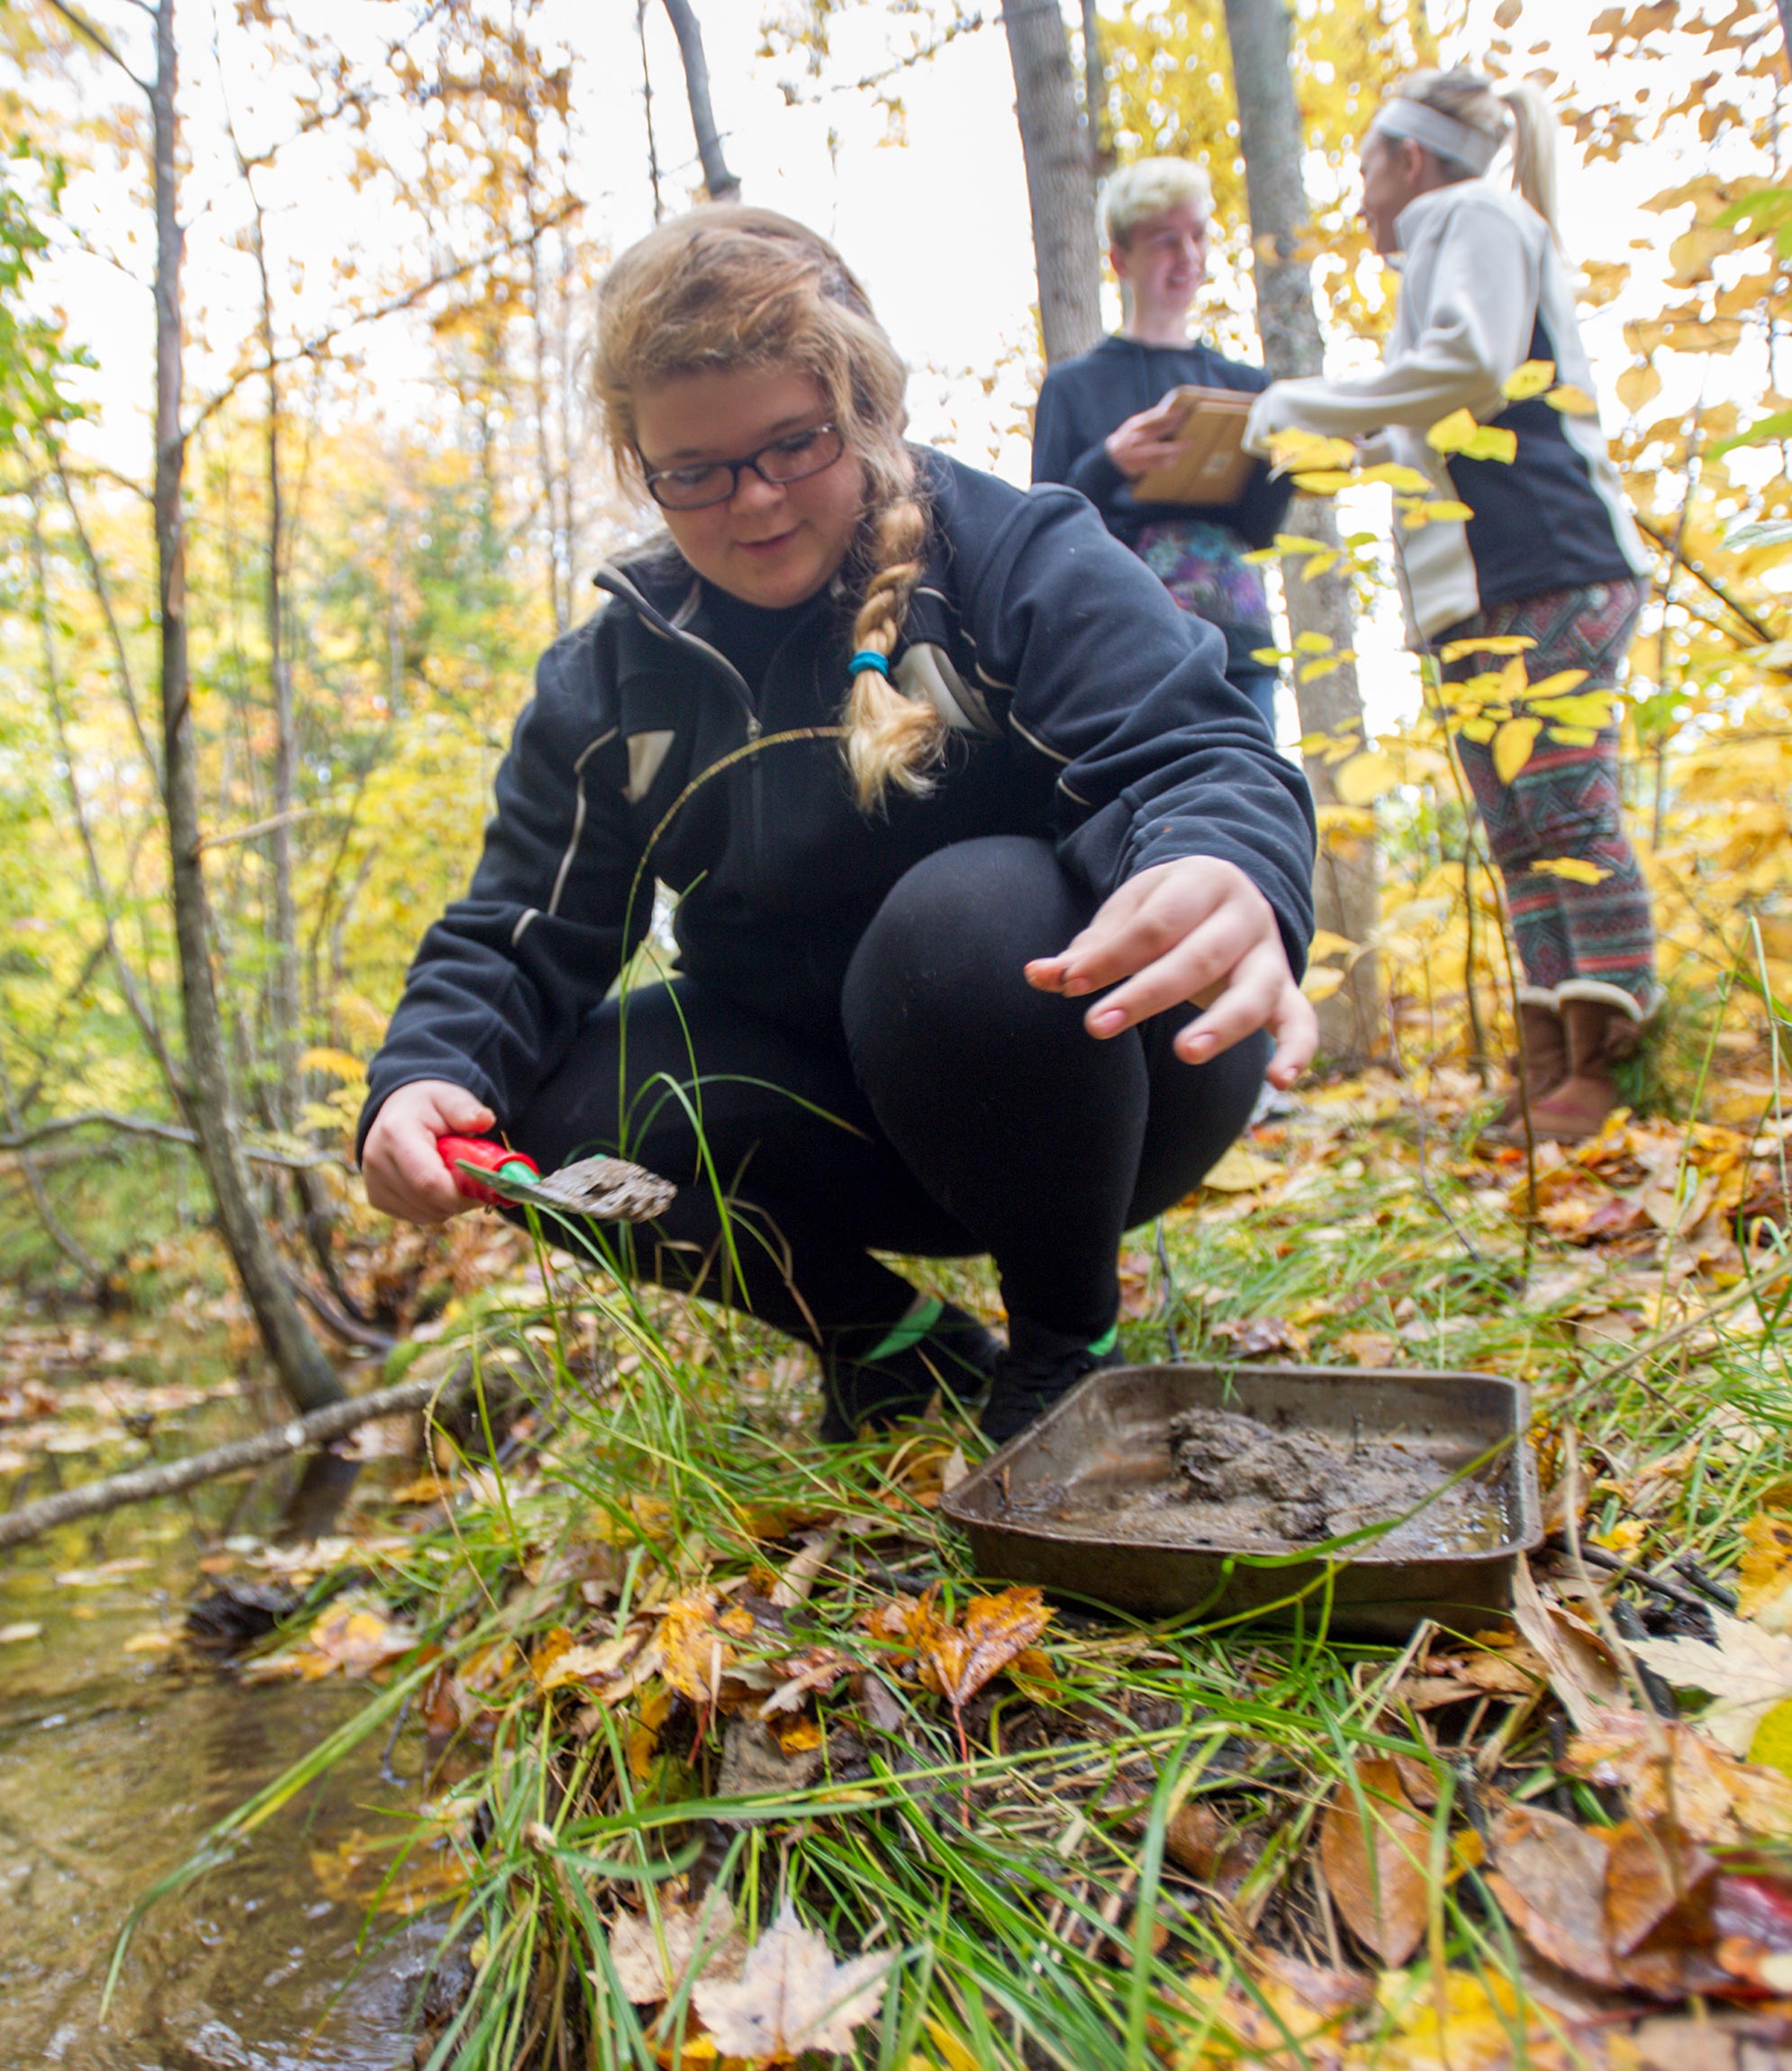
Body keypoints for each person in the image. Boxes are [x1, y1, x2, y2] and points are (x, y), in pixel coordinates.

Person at [357, 206, 1317, 1447]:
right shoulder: (615, 681)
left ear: (860, 407)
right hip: (843, 1120)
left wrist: (1219, 858)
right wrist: (423, 1076)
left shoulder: (1005, 555)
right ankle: (885, 1340)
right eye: (693, 471)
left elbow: (1190, 745)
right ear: (639, 463)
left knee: (966, 918)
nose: (751, 502)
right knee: (520, 1113)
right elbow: (515, 930)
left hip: (1100, 1078)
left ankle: (1066, 1346)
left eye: (791, 446)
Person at [1245, 70, 1656, 1144]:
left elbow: (1468, 366)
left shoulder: (1467, 214)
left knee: (1566, 810)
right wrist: (1328, 440)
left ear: (1410, 159)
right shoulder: (1442, 240)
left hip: (1548, 567)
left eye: (1368, 168)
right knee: (1518, 830)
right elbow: (1436, 415)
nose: (1363, 195)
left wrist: (1301, 401)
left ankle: (1616, 1053)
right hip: (1479, 593)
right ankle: (1553, 1062)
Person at [1031, 158, 1296, 734]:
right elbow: (1040, 533)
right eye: (1165, 241)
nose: (1189, 256)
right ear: (1121, 259)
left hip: (1241, 644)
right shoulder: (1073, 388)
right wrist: (1107, 464)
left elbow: (1259, 530)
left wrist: (1290, 463)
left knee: (1252, 802)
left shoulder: (1249, 387)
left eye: (1198, 236)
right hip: (1124, 648)